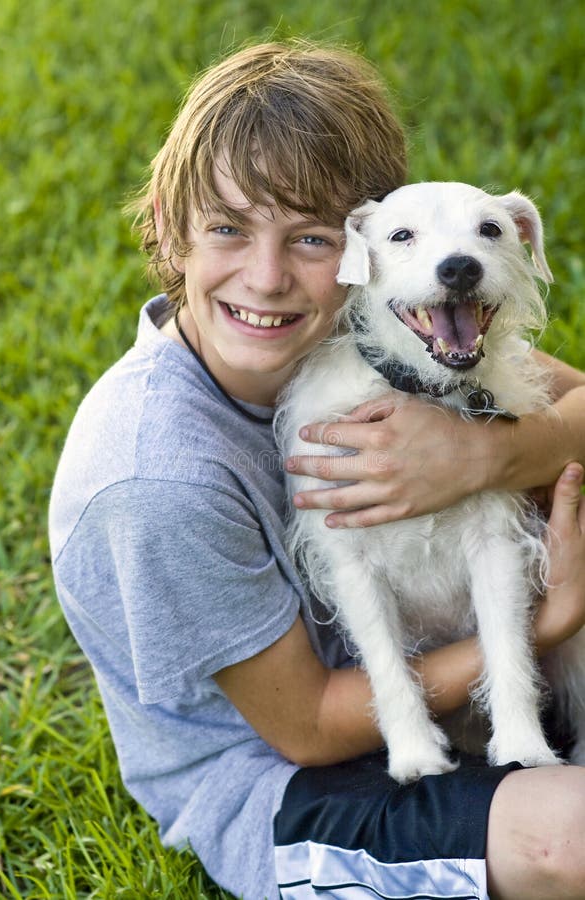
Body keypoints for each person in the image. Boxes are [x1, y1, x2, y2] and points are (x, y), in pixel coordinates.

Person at [49, 41, 585, 900]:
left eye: (309, 237)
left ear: (363, 246)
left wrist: (487, 453)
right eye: (227, 227)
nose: (266, 279)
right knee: (573, 840)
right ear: (167, 224)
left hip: (466, 667)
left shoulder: (375, 322)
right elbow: (305, 724)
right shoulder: (155, 476)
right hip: (297, 783)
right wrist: (539, 628)